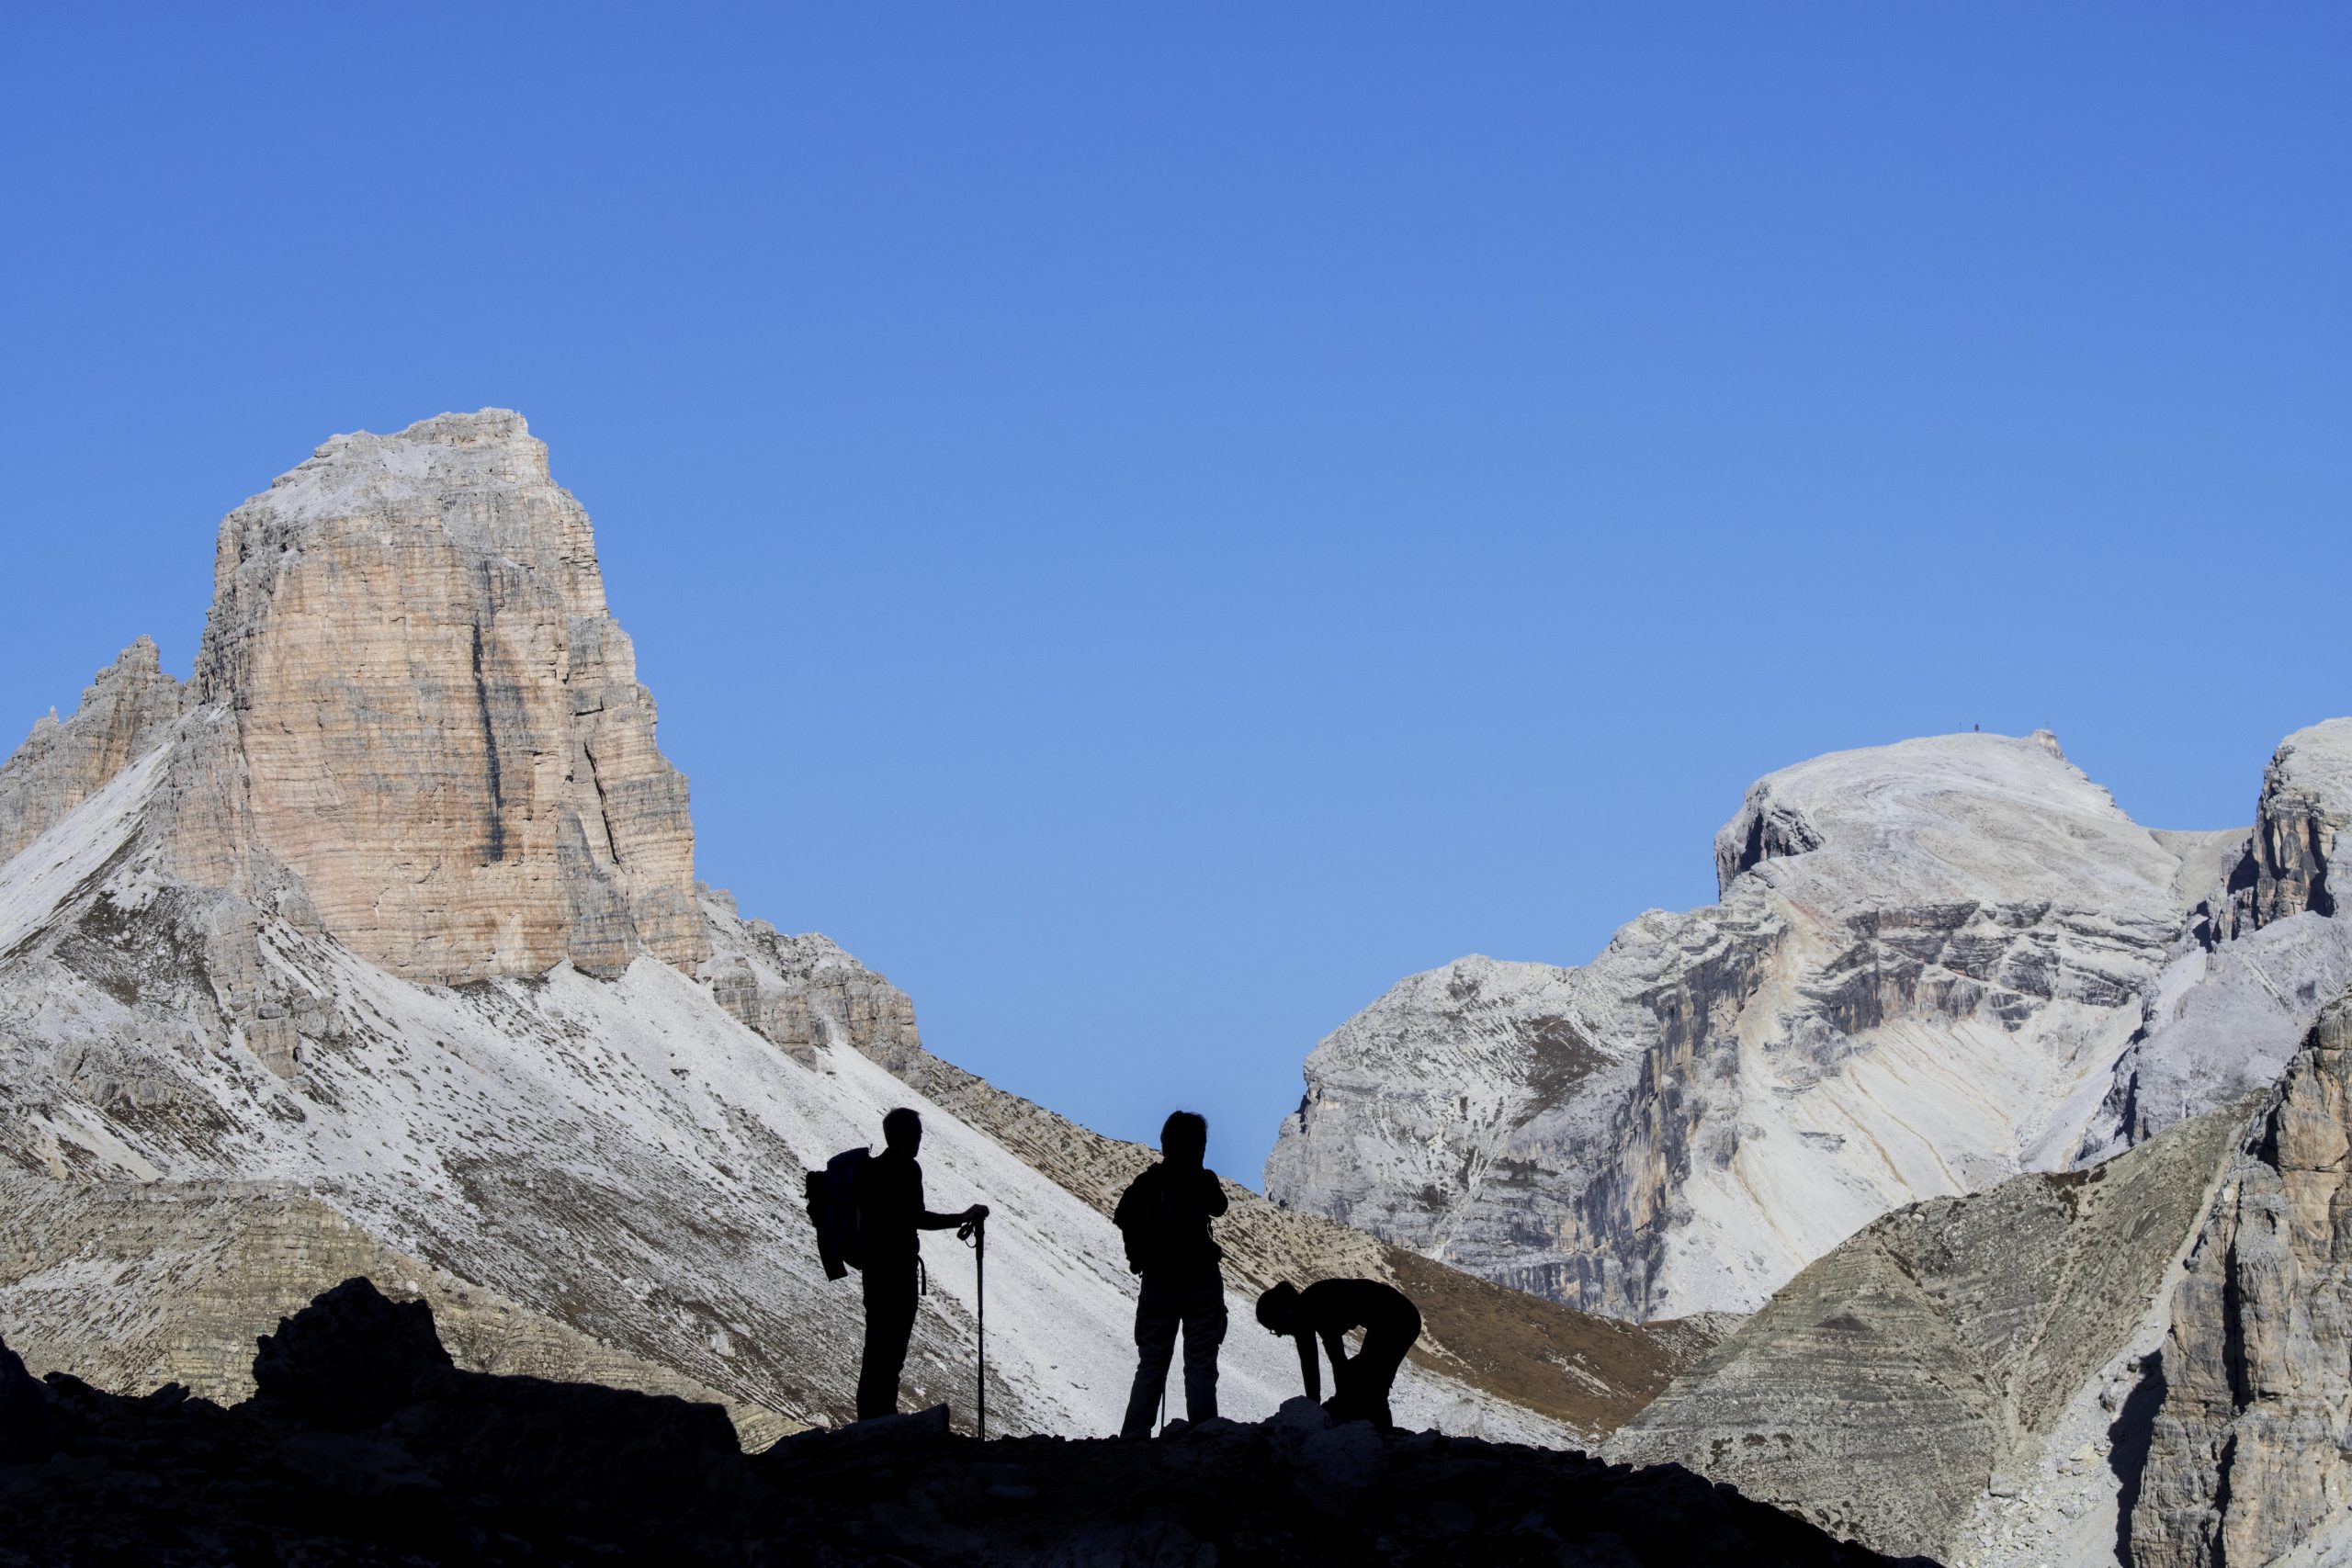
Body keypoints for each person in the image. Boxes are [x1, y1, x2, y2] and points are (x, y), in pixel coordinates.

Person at [855, 1107, 988, 1421]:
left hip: (874, 1271)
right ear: (910, 1137)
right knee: (893, 1348)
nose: (920, 1141)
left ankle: (870, 1415)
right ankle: (882, 1416)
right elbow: (916, 1217)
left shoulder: (872, 1169)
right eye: (918, 1135)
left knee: (876, 1343)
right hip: (898, 1271)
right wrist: (961, 1217)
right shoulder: (906, 1168)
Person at [1114, 1111, 1228, 1438]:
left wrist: (1137, 1254)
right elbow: (1219, 1206)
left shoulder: (1150, 1181)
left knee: (1151, 1362)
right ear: (1198, 1146)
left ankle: (1133, 1439)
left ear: (1165, 1143)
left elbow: (1123, 1215)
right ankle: (1205, 1435)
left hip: (1159, 1279)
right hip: (1200, 1279)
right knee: (1201, 1364)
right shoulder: (1202, 1180)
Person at [1255, 1277, 1421, 1432]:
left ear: (1286, 1314)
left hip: (1398, 1319)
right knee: (1365, 1381)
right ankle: (1379, 1436)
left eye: (1274, 1326)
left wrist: (1323, 1411)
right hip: (1395, 1317)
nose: (1278, 1333)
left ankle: (1383, 1440)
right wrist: (1316, 1411)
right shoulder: (1302, 1313)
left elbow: (1337, 1361)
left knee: (1371, 1384)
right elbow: (1310, 1364)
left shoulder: (1317, 1306)